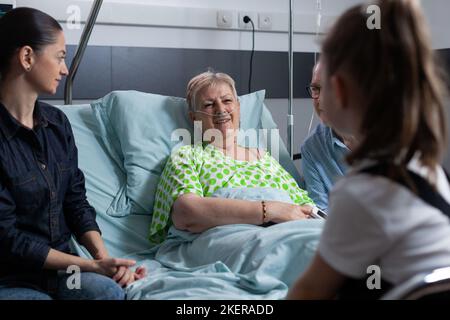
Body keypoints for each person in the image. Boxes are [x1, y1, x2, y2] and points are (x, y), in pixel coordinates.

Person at [288, 0, 450, 299]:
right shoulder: (426, 167)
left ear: (338, 89)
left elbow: (309, 291)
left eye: (321, 85)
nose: (317, 95)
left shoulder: (359, 193)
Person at [0, 7, 145, 300]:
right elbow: (8, 240)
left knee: (108, 294)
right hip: (9, 277)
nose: (65, 69)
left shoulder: (57, 124)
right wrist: (89, 264)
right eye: (60, 56)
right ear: (27, 57)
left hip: (64, 272)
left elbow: (75, 202)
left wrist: (108, 265)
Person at [149, 71, 316, 243]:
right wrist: (268, 210)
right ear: (194, 118)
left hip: (292, 234)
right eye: (208, 105)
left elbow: (306, 208)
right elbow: (186, 213)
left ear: (238, 107)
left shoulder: (265, 159)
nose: (220, 110)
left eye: (227, 101)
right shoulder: (187, 156)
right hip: (236, 241)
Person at [301, 61, 357, 212]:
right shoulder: (312, 149)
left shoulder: (391, 140)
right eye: (316, 89)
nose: (320, 100)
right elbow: (321, 211)